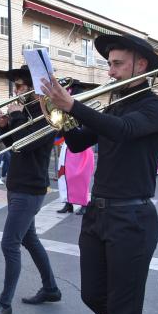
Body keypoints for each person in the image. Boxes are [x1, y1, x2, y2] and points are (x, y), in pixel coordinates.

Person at [41, 34, 158, 314]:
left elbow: (123, 130)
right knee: (92, 294)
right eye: (109, 64)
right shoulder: (113, 108)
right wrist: (55, 115)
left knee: (123, 309)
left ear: (141, 65)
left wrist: (73, 105)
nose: (110, 71)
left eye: (117, 64)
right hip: (97, 213)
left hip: (132, 218)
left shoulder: (157, 108)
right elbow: (77, 143)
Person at [0, 65, 60, 314]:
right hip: (18, 185)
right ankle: (50, 288)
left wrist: (14, 118)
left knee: (9, 243)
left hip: (30, 188)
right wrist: (3, 127)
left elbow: (28, 142)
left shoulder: (48, 114)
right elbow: (14, 146)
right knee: (30, 239)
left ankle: (4, 304)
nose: (16, 91)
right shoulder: (24, 113)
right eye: (15, 86)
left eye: (21, 86)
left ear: (34, 87)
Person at [56, 81, 95, 216]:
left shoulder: (83, 107)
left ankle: (85, 203)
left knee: (82, 177)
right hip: (67, 146)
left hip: (82, 146)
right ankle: (68, 202)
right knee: (65, 176)